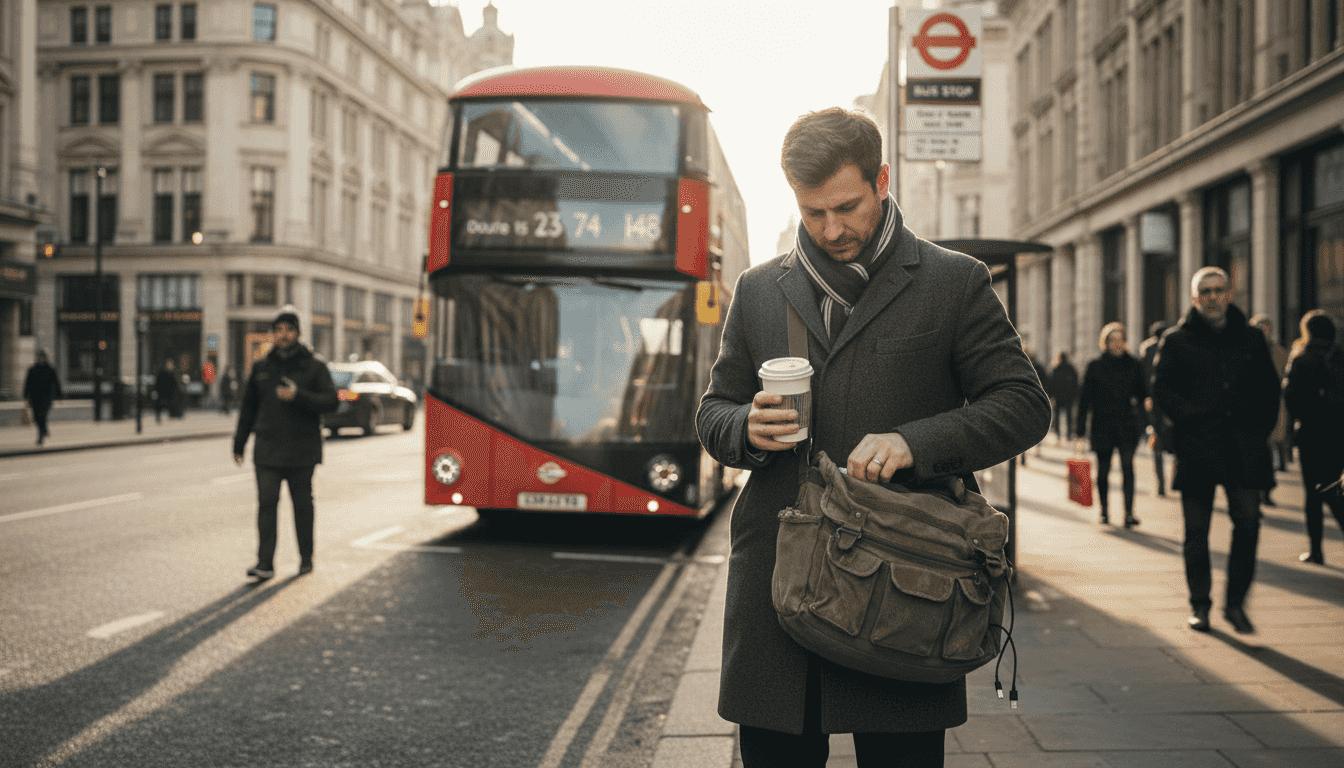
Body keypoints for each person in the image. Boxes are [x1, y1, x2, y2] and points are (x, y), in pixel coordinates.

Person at [696, 108, 1051, 768]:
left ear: (882, 180)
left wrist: (917, 442)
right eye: (812, 213)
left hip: (903, 590)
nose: (832, 230)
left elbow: (1024, 406)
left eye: (846, 207)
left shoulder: (954, 281)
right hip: (782, 589)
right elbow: (713, 410)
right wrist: (742, 426)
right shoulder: (756, 291)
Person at [1153, 267, 1280, 635]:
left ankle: (1236, 603)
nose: (1212, 297)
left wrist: (1257, 430)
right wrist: (1191, 418)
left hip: (1244, 449)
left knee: (1249, 523)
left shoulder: (1253, 338)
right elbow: (1162, 390)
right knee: (1197, 534)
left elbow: (1270, 391)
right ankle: (1201, 605)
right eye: (1204, 291)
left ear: (1230, 293)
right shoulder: (1177, 340)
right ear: (1195, 299)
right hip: (1198, 449)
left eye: (1218, 290)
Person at [233, 307, 338, 580]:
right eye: (278, 330)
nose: (283, 335)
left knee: (302, 506)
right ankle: (265, 563)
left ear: (298, 333)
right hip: (267, 450)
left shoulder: (315, 366)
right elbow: (248, 408)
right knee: (266, 505)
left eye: (289, 329)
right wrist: (239, 443)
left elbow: (331, 401)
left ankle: (306, 558)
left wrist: (298, 395)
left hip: (302, 451)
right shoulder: (261, 368)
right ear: (272, 334)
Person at [1282, 310, 1344, 565]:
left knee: (1314, 493)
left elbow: (1290, 398)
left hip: (1310, 434)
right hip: (1339, 432)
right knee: (1334, 487)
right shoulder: (1340, 358)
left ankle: (1316, 550)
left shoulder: (1302, 359)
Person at [1076, 322, 1147, 527]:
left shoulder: (1134, 364)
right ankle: (1105, 511)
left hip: (1127, 425)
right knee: (1104, 469)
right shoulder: (1095, 366)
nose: (1117, 344)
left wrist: (1146, 424)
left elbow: (1143, 395)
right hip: (1102, 425)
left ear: (1125, 342)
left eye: (1120, 340)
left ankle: (1129, 513)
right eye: (1112, 340)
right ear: (1105, 343)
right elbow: (1084, 400)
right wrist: (1079, 430)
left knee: (1127, 468)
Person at [1250, 315, 1292, 502]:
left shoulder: (1278, 351)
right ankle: (1257, 492)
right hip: (1249, 409)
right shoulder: (1243, 349)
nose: (1263, 332)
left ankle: (1265, 491)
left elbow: (1285, 375)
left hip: (1271, 407)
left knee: (1268, 450)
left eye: (1266, 328)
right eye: (1260, 328)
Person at [1138, 321, 1171, 496]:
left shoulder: (1147, 350)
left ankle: (1161, 483)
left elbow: (1143, 376)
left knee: (1157, 441)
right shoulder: (1173, 347)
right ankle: (1173, 477)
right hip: (1172, 402)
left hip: (1153, 402)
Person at [23, 350, 62, 447]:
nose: (40, 359)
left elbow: (56, 383)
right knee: (36, 417)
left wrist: (59, 395)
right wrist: (25, 395)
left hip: (46, 397)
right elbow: (27, 383)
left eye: (42, 357)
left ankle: (40, 436)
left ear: (45, 358)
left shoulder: (50, 370)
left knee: (42, 416)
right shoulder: (32, 369)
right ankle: (44, 430)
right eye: (39, 357)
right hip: (34, 397)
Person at [1045, 351, 1080, 442]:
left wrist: (1050, 396)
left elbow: (1050, 384)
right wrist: (1075, 396)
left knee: (1057, 416)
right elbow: (1076, 384)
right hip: (1068, 397)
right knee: (1069, 417)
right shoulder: (1071, 369)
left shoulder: (1055, 369)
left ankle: (1058, 434)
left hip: (1058, 397)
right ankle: (1069, 434)